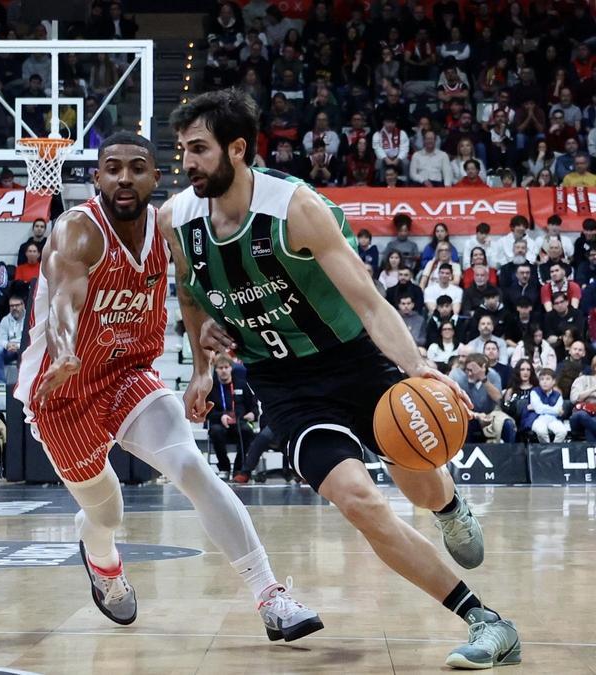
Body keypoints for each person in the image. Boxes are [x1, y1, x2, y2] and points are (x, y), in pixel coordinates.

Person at [169, 90, 517, 668]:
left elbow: (372, 303)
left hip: (354, 360)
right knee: (360, 501)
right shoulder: (176, 219)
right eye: (183, 150)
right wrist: (202, 359)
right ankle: (487, 622)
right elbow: (188, 291)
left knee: (418, 478)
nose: (187, 163)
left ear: (237, 149)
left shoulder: (296, 208)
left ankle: (449, 506)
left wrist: (420, 368)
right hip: (284, 385)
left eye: (199, 150)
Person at [16, 130, 322, 641]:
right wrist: (66, 349)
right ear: (96, 178)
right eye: (112, 168)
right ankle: (103, 561)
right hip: (61, 392)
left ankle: (269, 594)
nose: (124, 177)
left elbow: (191, 296)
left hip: (130, 373)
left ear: (157, 177)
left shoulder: (171, 230)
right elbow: (65, 300)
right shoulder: (77, 230)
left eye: (137, 167)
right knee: (105, 509)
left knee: (191, 467)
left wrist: (202, 370)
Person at [204, 356, 257, 481]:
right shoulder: (211, 387)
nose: (223, 370)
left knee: (247, 431)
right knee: (215, 431)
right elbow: (207, 413)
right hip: (220, 425)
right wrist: (221, 416)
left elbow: (254, 407)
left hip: (239, 422)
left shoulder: (241, 384)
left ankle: (239, 469)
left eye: (226, 367)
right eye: (220, 368)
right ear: (215, 370)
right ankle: (224, 468)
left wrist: (253, 414)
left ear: (231, 369)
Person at [0, 295, 26, 385]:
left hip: (24, 348)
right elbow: (1, 340)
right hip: (9, 349)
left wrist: (18, 346)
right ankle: (1, 383)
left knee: (25, 351)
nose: (14, 308)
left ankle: (23, 383)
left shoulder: (29, 318)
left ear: (23, 305)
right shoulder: (5, 320)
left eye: (17, 305)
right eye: (11, 306)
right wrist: (8, 345)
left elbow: (30, 339)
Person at [527, 369, 568, 442]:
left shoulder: (558, 395)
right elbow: (539, 409)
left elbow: (557, 412)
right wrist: (555, 410)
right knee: (541, 431)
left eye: (548, 379)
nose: (544, 382)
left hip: (553, 419)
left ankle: (553, 449)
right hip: (537, 418)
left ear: (553, 381)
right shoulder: (534, 392)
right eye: (542, 379)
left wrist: (540, 408)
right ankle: (546, 448)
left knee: (562, 432)